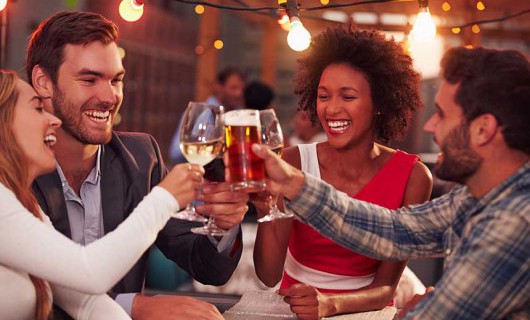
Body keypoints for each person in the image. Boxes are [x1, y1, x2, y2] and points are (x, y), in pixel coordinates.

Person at [251, 46, 530, 319]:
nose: (430, 126)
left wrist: (411, 312)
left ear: (483, 129)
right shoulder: (480, 197)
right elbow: (395, 231)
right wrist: (295, 184)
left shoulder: (513, 222)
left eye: (442, 114)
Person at [26, 11, 248, 319]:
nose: (109, 97)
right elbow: (33, 296)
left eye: (116, 80)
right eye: (89, 79)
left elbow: (208, 268)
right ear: (43, 82)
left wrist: (224, 226)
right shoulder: (12, 167)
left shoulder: (142, 156)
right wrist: (136, 306)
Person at [0, 70, 224, 320]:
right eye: (38, 108)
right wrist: (165, 198)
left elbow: (85, 302)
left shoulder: (24, 204)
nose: (53, 120)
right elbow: (90, 272)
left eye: (117, 80)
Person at [252, 26, 432, 319]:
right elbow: (269, 275)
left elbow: (386, 287)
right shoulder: (291, 163)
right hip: (296, 308)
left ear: (380, 103)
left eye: (348, 97)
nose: (331, 109)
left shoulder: (414, 177)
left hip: (367, 311)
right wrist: (266, 211)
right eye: (324, 96)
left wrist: (331, 303)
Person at [169, 67, 247, 163]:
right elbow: (175, 153)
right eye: (233, 88)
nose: (239, 93)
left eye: (242, 89)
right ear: (219, 87)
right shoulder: (201, 113)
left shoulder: (241, 116)